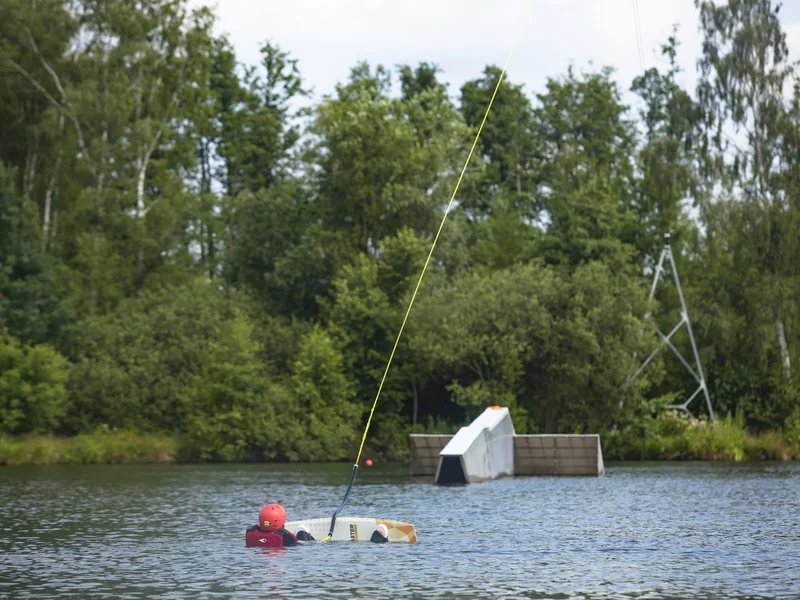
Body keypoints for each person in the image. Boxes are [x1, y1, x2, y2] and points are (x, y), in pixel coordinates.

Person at [245, 503, 311, 548]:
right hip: (288, 546)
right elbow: (299, 546)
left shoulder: (251, 531)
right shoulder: (285, 536)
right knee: (301, 533)